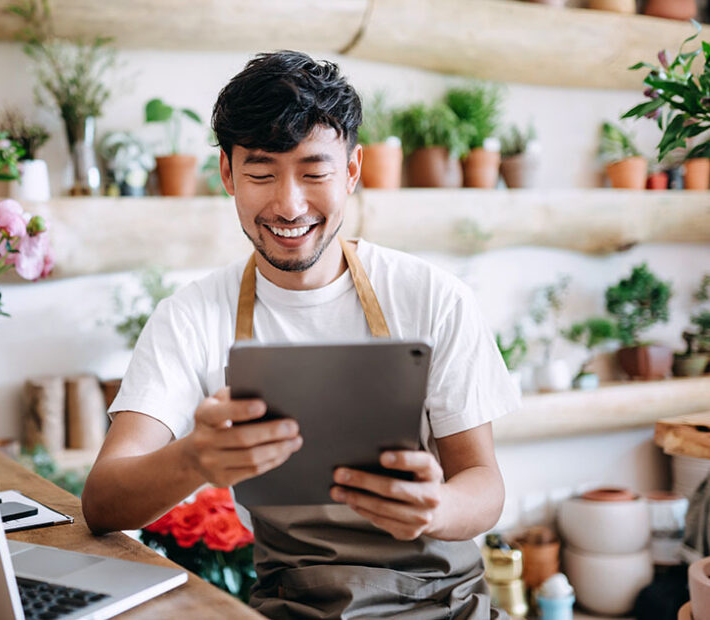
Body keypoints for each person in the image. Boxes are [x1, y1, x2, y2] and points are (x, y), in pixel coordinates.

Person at [81, 50, 521, 619]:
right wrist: (194, 458)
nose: (289, 205)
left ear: (353, 171)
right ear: (226, 174)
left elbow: (483, 483)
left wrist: (435, 507)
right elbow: (102, 500)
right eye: (261, 174)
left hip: (444, 605)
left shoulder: (432, 296)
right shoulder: (190, 317)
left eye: (315, 173)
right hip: (294, 608)